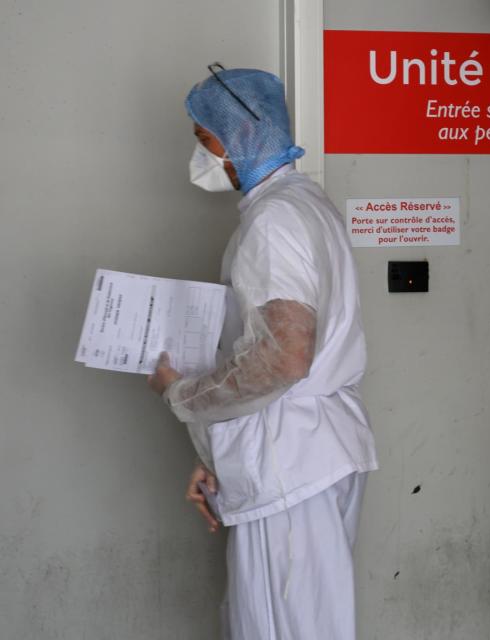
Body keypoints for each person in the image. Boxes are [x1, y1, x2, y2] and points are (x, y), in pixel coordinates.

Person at [147, 64, 378, 639]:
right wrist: (215, 450)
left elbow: (283, 359)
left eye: (206, 140)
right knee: (291, 622)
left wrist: (182, 395)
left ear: (241, 136)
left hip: (290, 465)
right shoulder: (305, 202)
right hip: (305, 454)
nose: (201, 156)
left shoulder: (275, 221)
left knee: (287, 628)